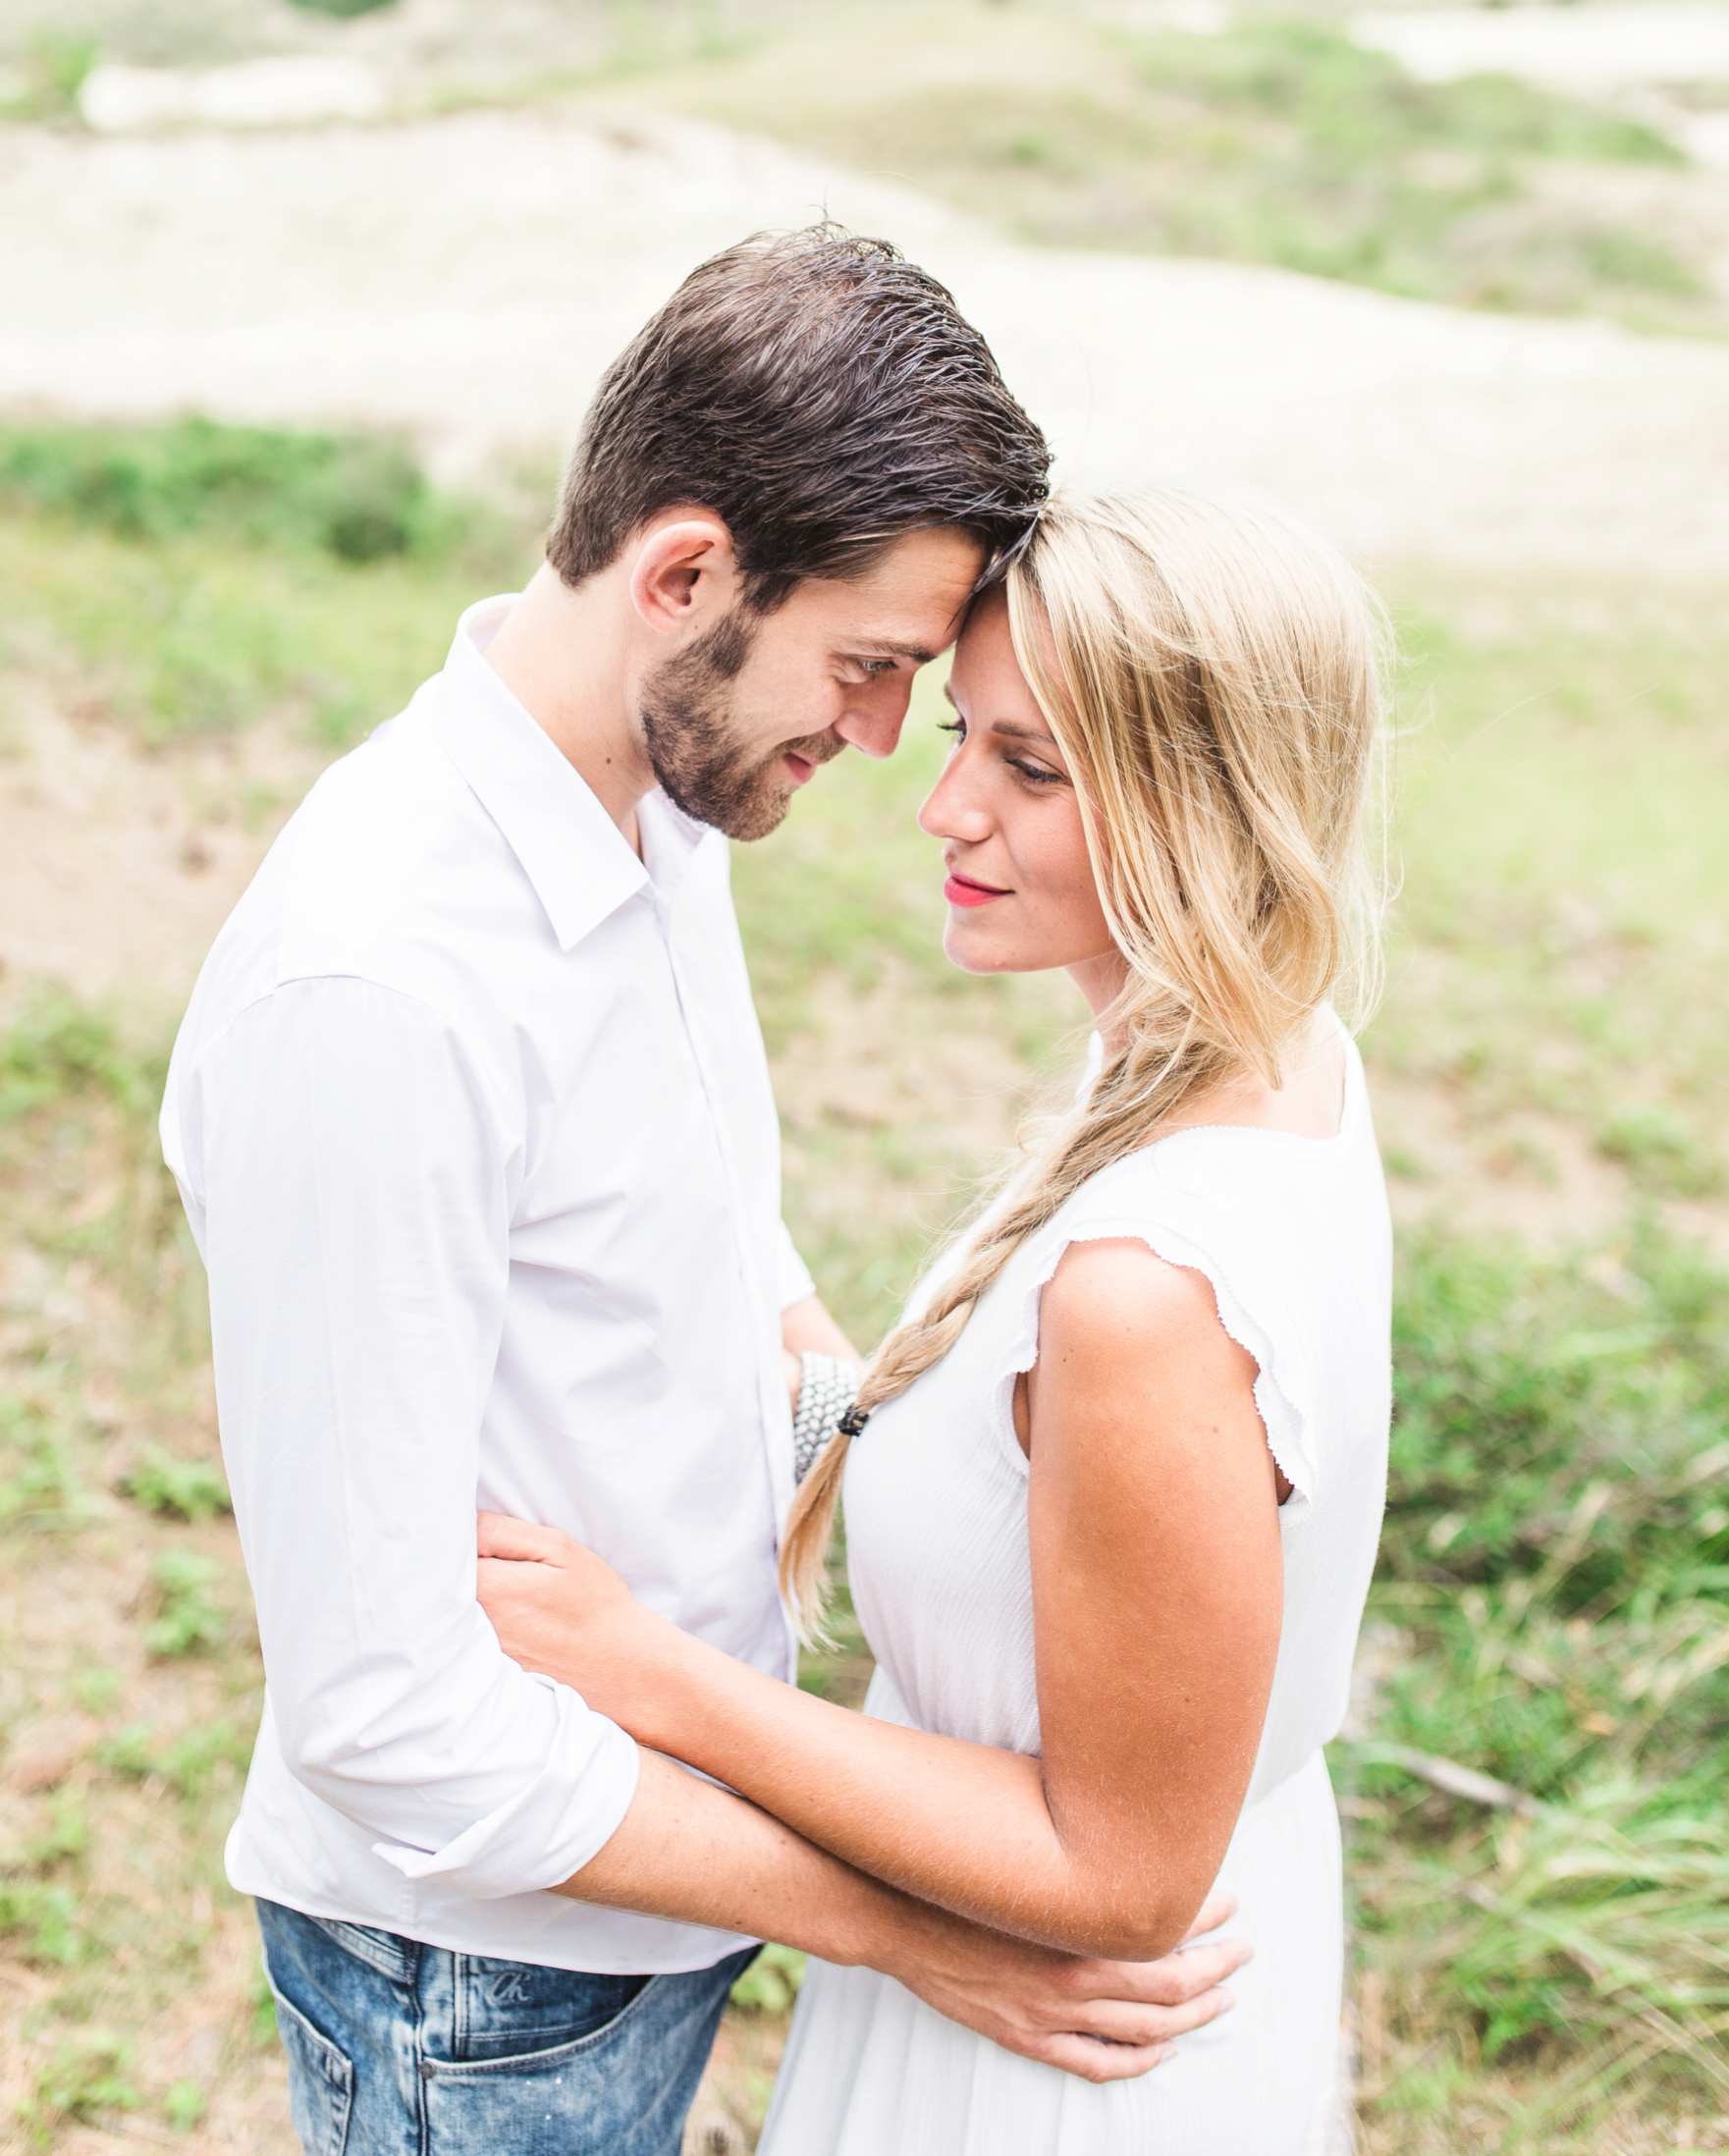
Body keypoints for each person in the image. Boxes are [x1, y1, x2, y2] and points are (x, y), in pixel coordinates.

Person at [158, 236, 1250, 2156]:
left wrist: (881, 1435)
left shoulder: (662, 805)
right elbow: (385, 1712)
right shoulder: (383, 995)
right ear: (682, 575)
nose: (889, 744)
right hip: (486, 1983)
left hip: (665, 1875)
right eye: (871, 666)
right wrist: (915, 1927)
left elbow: (710, 1232)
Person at [474, 486, 1395, 2156]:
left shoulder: (1145, 1297)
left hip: (1063, 2064)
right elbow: (997, 1472)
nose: (945, 805)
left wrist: (648, 1674)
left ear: (1210, 806)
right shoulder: (1281, 1056)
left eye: (1032, 769)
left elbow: (1120, 1876)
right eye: (966, 732)